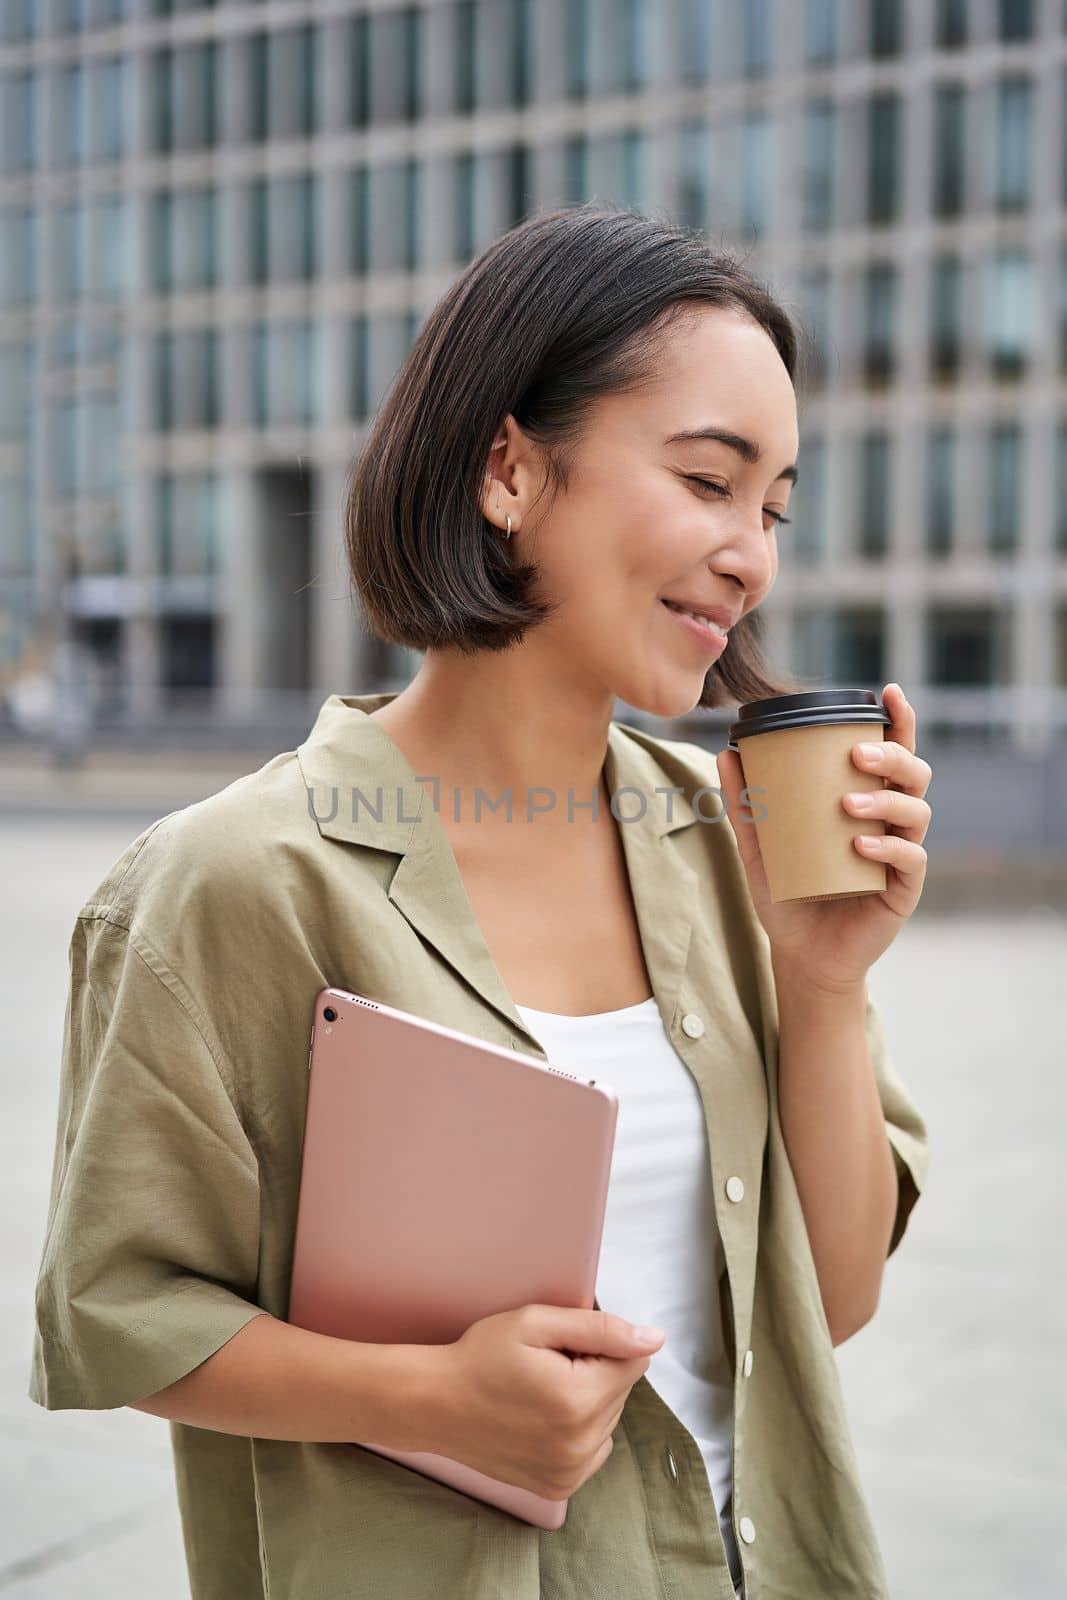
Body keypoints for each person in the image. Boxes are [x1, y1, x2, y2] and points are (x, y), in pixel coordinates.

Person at [28, 205, 930, 1600]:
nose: (753, 552)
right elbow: (116, 1316)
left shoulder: (722, 841)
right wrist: (425, 1396)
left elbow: (832, 1304)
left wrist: (824, 978)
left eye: (775, 506)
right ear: (511, 470)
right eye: (708, 480)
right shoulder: (239, 880)